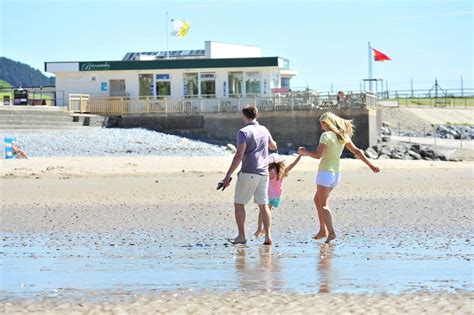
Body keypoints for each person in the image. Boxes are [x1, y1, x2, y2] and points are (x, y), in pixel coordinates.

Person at [298, 112, 380, 243]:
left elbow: (317, 155)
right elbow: (357, 151)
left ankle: (330, 232)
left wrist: (304, 152)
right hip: (336, 174)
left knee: (323, 204)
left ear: (327, 122)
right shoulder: (343, 136)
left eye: (322, 123)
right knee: (317, 200)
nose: (321, 127)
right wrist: (371, 165)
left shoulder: (326, 135)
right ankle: (322, 230)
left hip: (325, 172)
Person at [221, 105, 277, 246]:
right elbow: (273, 146)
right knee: (263, 205)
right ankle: (268, 236)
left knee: (239, 204)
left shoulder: (243, 132)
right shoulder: (264, 129)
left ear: (244, 116)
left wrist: (227, 176)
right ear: (256, 115)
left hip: (249, 172)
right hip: (263, 173)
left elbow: (239, 155)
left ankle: (241, 236)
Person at [254, 153, 301, 238]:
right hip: (276, 196)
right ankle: (266, 228)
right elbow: (292, 164)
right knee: (269, 211)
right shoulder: (282, 171)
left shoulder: (269, 171)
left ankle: (259, 228)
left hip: (267, 195)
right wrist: (299, 156)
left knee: (262, 211)